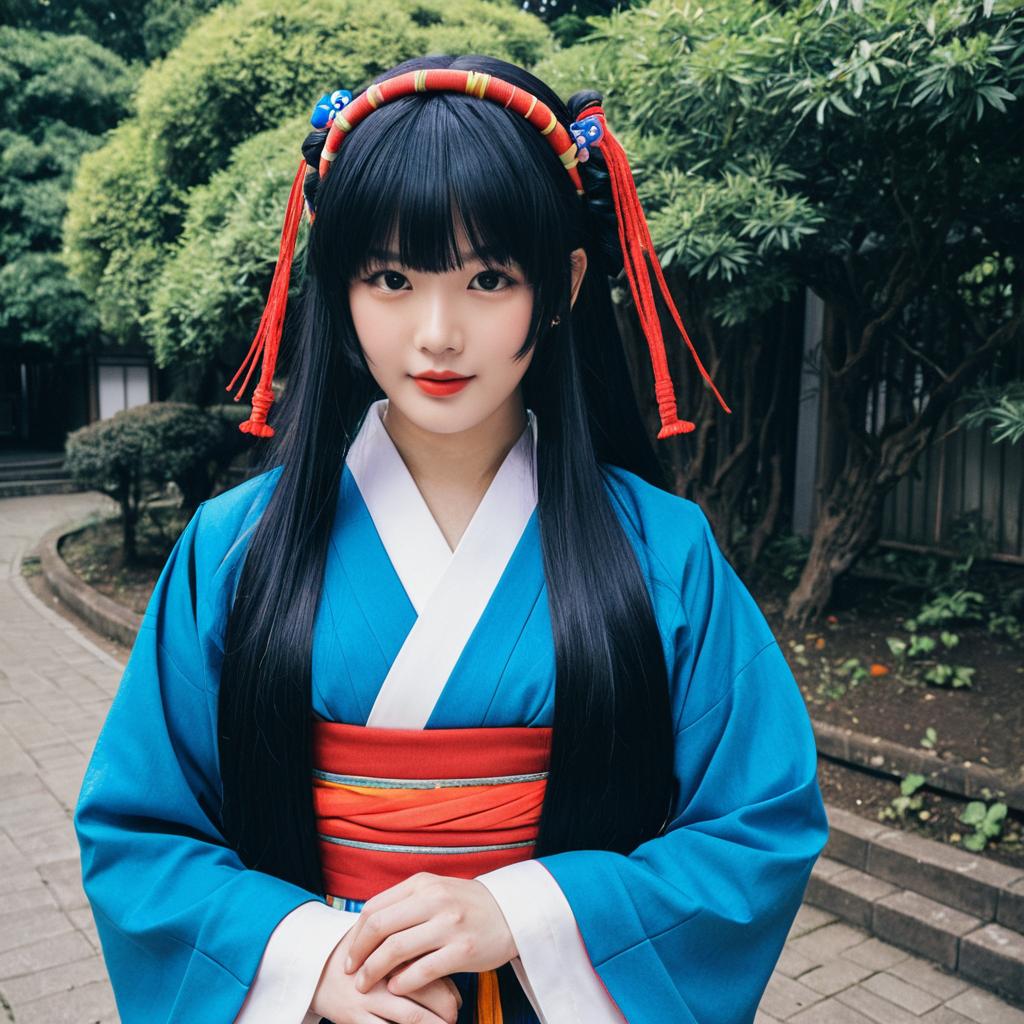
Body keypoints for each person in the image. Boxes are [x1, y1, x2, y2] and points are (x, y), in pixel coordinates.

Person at [74, 52, 829, 1024]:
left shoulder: (666, 550)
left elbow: (758, 822)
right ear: (338, 289)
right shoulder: (229, 552)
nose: (436, 332)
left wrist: (526, 908)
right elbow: (139, 831)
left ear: (560, 283)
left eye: (486, 277)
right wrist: (304, 960)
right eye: (391, 276)